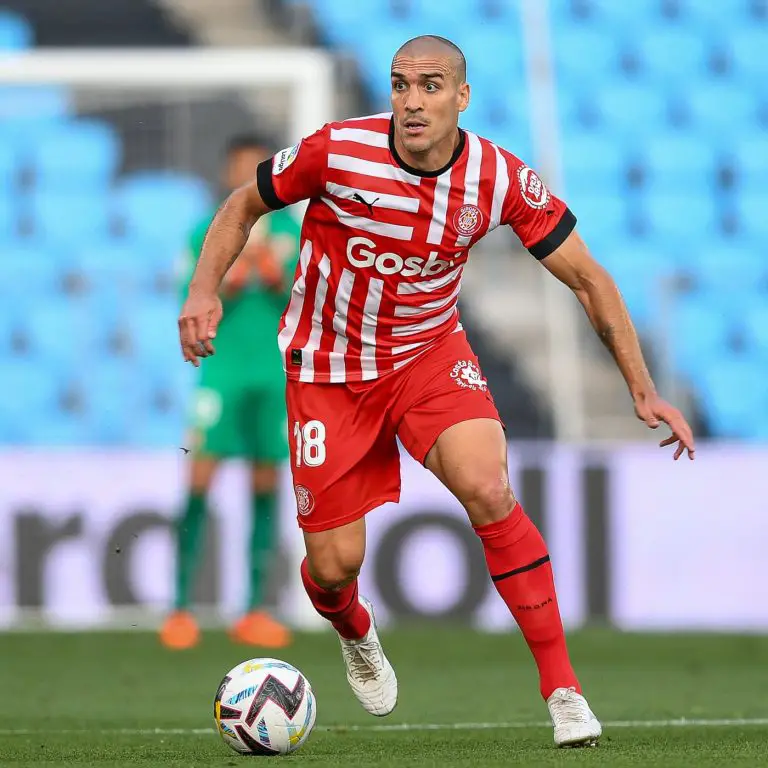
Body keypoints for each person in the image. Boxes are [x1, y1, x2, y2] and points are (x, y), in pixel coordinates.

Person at [178, 37, 696, 746]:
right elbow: (244, 204)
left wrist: (643, 388)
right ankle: (354, 629)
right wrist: (203, 289)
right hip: (328, 370)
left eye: (430, 85)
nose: (413, 102)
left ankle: (564, 690)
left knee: (488, 486)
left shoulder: (498, 177)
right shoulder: (337, 152)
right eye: (401, 85)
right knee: (333, 567)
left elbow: (588, 277)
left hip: (428, 356)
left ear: (462, 96)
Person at [161, 135, 301, 651]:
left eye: (255, 168)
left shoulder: (292, 231)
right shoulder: (206, 231)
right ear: (226, 173)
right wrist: (237, 274)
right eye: (239, 168)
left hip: (274, 374)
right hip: (220, 373)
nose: (247, 177)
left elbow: (308, 296)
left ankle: (254, 609)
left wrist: (272, 271)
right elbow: (188, 295)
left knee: (265, 482)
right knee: (199, 478)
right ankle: (180, 607)